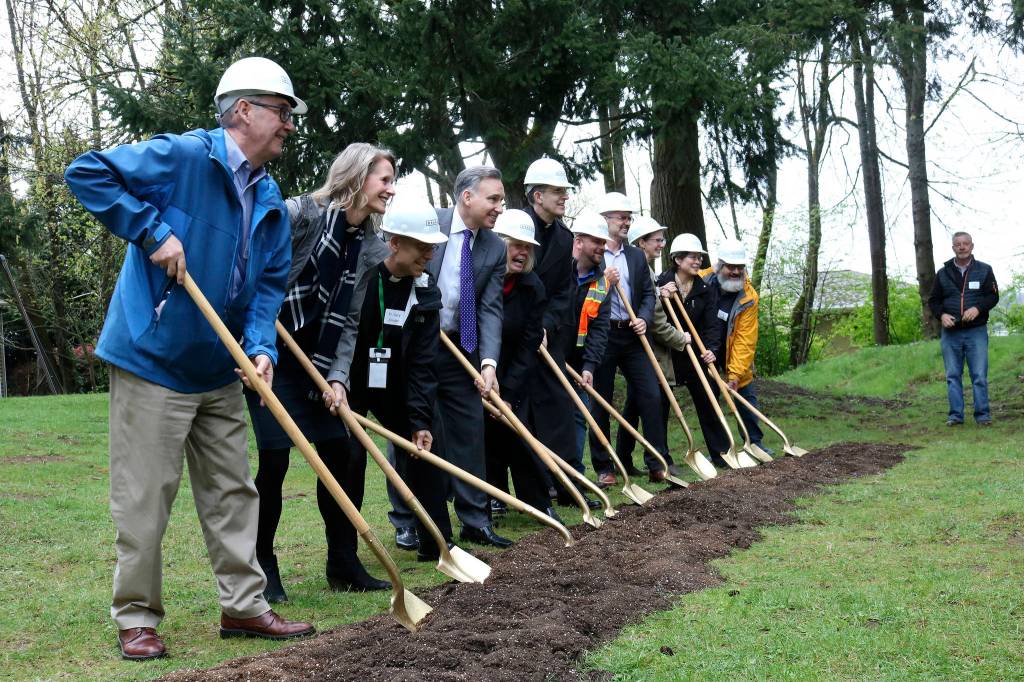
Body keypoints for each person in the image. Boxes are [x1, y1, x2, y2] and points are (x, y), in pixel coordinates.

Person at [64, 57, 313, 661]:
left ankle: (244, 606)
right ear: (243, 111)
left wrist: (259, 348)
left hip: (219, 369)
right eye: (282, 112)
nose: (289, 125)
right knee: (144, 498)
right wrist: (151, 231)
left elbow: (268, 288)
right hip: (153, 360)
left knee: (234, 492)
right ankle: (137, 617)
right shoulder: (181, 158)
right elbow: (86, 172)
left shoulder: (270, 198)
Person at [244, 143, 397, 601]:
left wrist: (337, 378)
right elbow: (253, 266)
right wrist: (254, 337)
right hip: (270, 352)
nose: (390, 189)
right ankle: (262, 565)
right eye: (384, 179)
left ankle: (343, 563)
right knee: (275, 460)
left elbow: (349, 320)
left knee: (342, 453)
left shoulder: (368, 246)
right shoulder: (301, 216)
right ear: (357, 177)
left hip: (318, 360)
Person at [386, 166, 512, 549]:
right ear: (467, 197)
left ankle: (475, 519)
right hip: (416, 344)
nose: (500, 207)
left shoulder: (495, 247)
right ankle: (408, 520)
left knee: (469, 431)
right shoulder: (429, 223)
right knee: (411, 429)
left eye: (502, 200)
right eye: (493, 198)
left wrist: (488, 364)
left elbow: (490, 308)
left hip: (461, 347)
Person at [343, 197, 453, 564]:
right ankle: (344, 556)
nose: (429, 254)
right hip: (351, 380)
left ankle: (437, 543)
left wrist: (419, 419)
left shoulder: (426, 290)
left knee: (426, 445)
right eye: (422, 247)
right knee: (349, 458)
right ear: (394, 243)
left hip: (399, 382)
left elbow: (423, 363)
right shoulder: (364, 278)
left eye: (432, 247)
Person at [588, 193, 671, 486]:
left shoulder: (635, 256)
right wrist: (603, 282)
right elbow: (583, 294)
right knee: (601, 400)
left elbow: (648, 293)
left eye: (628, 218)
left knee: (651, 394)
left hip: (633, 335)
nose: (626, 222)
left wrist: (644, 318)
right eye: (621, 217)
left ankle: (657, 462)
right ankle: (604, 467)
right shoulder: (595, 255)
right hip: (603, 335)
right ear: (606, 219)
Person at [483, 209, 559, 521]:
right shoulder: (480, 279)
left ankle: (538, 500)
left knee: (520, 432)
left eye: (527, 247)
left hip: (516, 370)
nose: (523, 252)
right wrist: (484, 377)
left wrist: (509, 394)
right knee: (484, 434)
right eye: (516, 245)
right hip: (478, 368)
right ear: (499, 244)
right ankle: (490, 497)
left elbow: (529, 345)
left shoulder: (532, 287)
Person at [520, 158, 580, 482]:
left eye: (565, 191)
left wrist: (545, 325)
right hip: (515, 335)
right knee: (520, 411)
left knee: (558, 404)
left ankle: (568, 481)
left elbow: (563, 292)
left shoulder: (565, 238)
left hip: (549, 334)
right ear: (537, 196)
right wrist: (529, 326)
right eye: (558, 191)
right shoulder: (514, 228)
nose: (565, 197)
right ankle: (534, 486)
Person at [616, 216, 689, 479]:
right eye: (657, 240)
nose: (661, 245)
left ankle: (624, 459)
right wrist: (682, 339)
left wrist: (661, 288)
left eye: (662, 240)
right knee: (650, 402)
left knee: (635, 404)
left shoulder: (647, 271)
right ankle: (657, 460)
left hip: (642, 348)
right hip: (646, 350)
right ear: (641, 243)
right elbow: (656, 321)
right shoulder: (641, 270)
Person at [657, 234, 730, 466]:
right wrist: (660, 294)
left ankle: (721, 453)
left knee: (709, 398)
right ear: (678, 259)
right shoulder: (661, 282)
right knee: (659, 405)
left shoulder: (705, 289)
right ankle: (661, 460)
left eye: (699, 257)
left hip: (695, 354)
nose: (698, 261)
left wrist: (712, 349)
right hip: (667, 354)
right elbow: (654, 317)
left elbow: (712, 324)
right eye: (692, 257)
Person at [700, 239, 770, 454]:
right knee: (708, 400)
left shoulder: (748, 296)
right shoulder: (701, 281)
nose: (736, 271)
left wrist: (735, 374)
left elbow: (745, 339)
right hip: (705, 351)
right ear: (720, 265)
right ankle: (719, 451)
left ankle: (754, 443)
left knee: (745, 395)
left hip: (733, 351)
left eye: (740, 267)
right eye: (731, 266)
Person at [927, 231, 999, 426]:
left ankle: (982, 416)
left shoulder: (984, 270)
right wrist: (941, 315)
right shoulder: (942, 273)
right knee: (952, 376)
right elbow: (933, 300)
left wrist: (977, 308)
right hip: (951, 333)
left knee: (979, 375)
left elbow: (993, 296)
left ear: (971, 246)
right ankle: (956, 416)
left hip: (976, 331)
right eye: (958, 244)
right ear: (953, 248)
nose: (962, 247)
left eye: (965, 243)